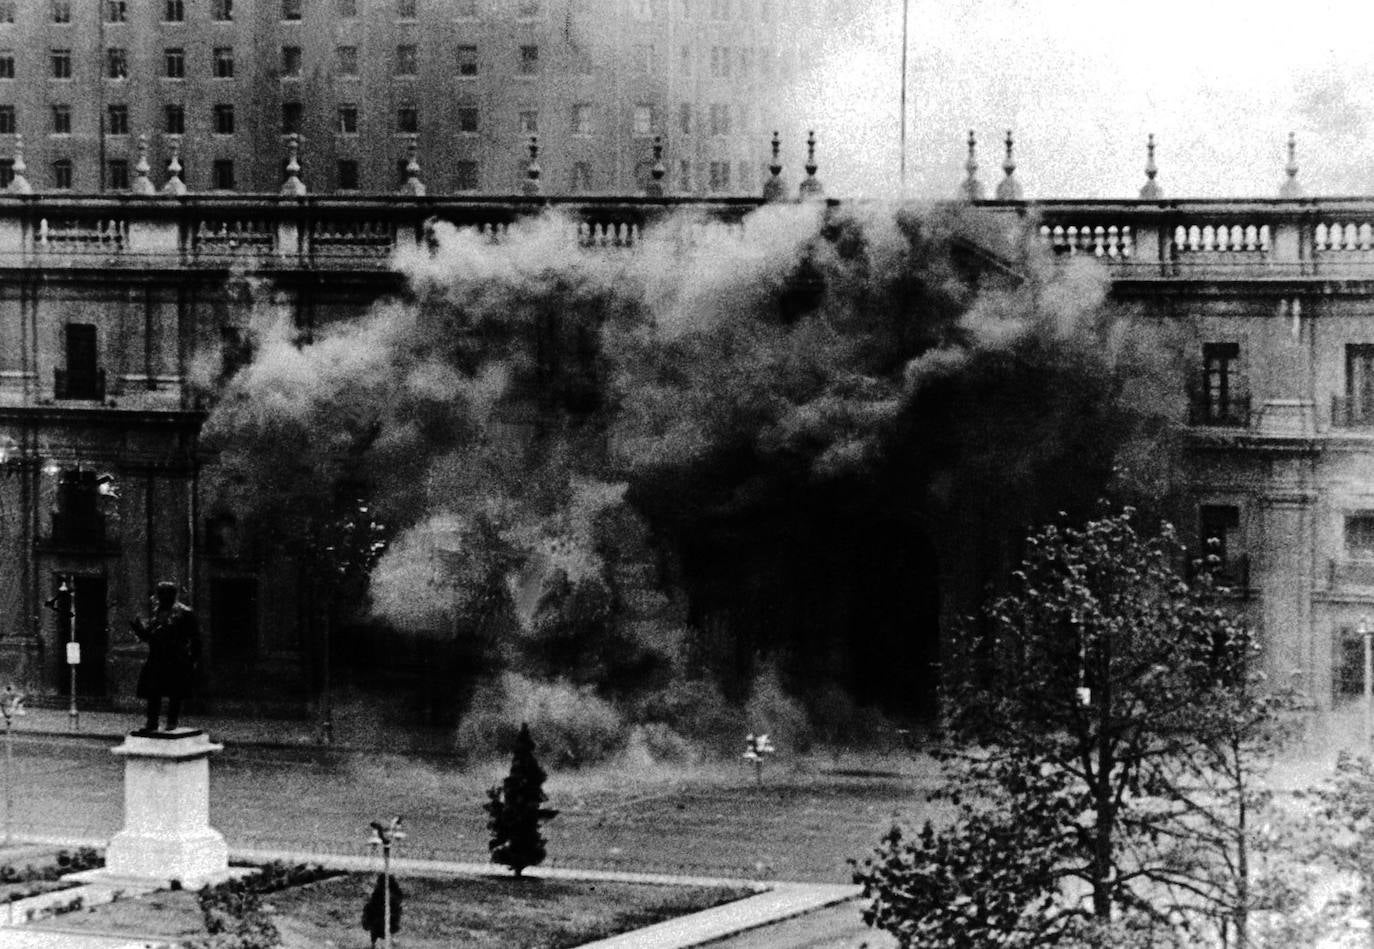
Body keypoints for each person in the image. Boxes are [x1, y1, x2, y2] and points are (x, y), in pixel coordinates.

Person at [128, 581, 199, 733]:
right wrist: (139, 630)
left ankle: (172, 722)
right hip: (157, 657)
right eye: (159, 594)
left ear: (171, 595)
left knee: (175, 692)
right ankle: (152, 722)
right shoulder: (157, 612)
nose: (159, 597)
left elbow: (195, 637)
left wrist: (193, 659)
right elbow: (150, 636)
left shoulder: (184, 612)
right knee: (153, 691)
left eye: (162, 594)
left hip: (175, 657)